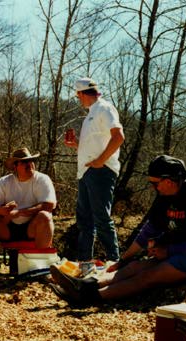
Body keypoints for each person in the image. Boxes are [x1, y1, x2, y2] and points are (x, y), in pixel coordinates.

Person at [49, 155, 186, 305]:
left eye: (155, 183)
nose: (153, 187)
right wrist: (123, 260)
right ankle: (86, 285)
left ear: (169, 181)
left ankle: (89, 298)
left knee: (148, 276)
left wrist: (168, 251)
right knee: (134, 267)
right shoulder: (164, 196)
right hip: (181, 251)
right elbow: (148, 231)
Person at [64, 77, 125, 273]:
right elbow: (96, 144)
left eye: (78, 95)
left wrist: (101, 161)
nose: (78, 99)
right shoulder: (91, 114)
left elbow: (119, 137)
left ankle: (114, 261)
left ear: (82, 94)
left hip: (100, 171)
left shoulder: (104, 108)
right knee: (85, 220)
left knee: (100, 217)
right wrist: (77, 145)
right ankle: (85, 264)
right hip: (86, 172)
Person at [0, 147, 57, 277]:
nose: (29, 164)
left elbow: (49, 205)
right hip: (8, 229)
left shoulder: (42, 179)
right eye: (24, 162)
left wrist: (20, 212)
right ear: (15, 166)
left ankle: (41, 268)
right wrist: (0, 211)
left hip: (33, 228)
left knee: (45, 216)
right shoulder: (4, 182)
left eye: (31, 161)